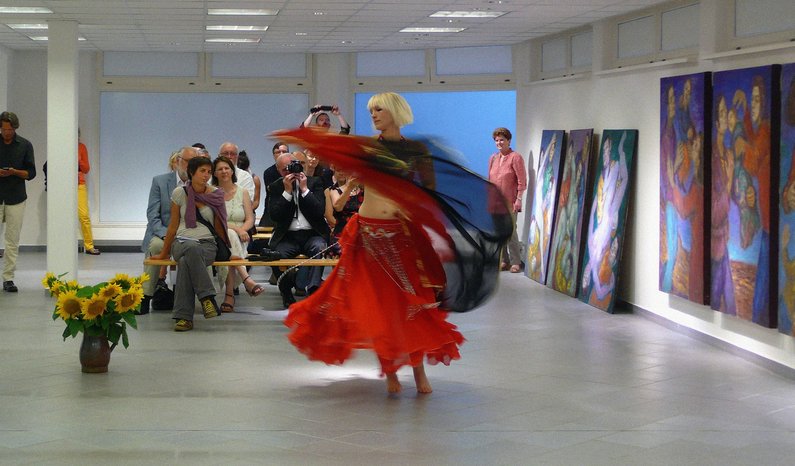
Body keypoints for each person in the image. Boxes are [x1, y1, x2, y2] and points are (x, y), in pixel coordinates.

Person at [284, 92, 464, 394]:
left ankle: (418, 371)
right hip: (368, 233)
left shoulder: (415, 150)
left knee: (411, 302)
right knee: (378, 305)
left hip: (401, 234)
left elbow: (430, 192)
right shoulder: (367, 148)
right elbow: (327, 146)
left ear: (394, 111)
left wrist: (412, 201)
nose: (374, 115)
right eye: (371, 111)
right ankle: (391, 371)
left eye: (378, 109)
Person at [152, 156, 228, 332]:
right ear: (191, 173)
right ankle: (207, 297)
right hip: (181, 242)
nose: (206, 175)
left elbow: (219, 226)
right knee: (190, 248)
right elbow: (172, 227)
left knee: (186, 262)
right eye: (202, 171)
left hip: (207, 244)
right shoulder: (179, 193)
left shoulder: (216, 194)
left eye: (209, 172)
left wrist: (227, 248)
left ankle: (183, 318)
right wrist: (164, 253)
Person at [140, 146, 198, 314]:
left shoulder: (201, 183)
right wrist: (166, 235)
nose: (192, 166)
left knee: (199, 248)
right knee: (156, 247)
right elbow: (153, 214)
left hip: (190, 234)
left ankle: (204, 296)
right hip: (163, 232)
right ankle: (146, 296)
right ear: (178, 161)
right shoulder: (160, 181)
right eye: (189, 162)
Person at [267, 150, 329, 306]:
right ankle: (286, 292)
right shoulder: (275, 187)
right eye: (285, 169)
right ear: (279, 171)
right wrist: (287, 192)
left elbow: (319, 211)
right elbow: (274, 215)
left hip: (312, 234)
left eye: (293, 167)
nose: (290, 172)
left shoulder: (315, 183)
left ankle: (314, 290)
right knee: (276, 254)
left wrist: (304, 190)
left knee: (319, 248)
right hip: (288, 236)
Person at [211, 156, 264, 312]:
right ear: (214, 173)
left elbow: (250, 218)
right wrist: (237, 229)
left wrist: (243, 230)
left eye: (226, 168)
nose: (224, 171)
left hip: (242, 238)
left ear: (232, 170)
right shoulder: (212, 193)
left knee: (233, 239)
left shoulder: (243, 192)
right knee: (230, 235)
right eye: (220, 169)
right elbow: (217, 221)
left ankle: (229, 296)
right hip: (220, 236)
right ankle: (246, 280)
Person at [0, 111, 36, 293]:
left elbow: (31, 173)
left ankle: (8, 278)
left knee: (12, 240)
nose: (7, 132)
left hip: (16, 197)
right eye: (4, 128)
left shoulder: (25, 145)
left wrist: (14, 172)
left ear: (15, 128)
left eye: (10, 129)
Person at [487, 127, 526, 273]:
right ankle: (503, 260)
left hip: (510, 201)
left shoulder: (515, 157)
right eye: (496, 140)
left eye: (502, 140)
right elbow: (490, 180)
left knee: (510, 231)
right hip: (495, 201)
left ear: (509, 140)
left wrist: (519, 199)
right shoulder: (493, 158)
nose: (499, 142)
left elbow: (522, 181)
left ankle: (515, 261)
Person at [324, 167, 364, 257]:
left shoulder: (363, 191)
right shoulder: (333, 190)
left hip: (361, 233)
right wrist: (349, 187)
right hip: (342, 233)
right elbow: (338, 207)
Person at [77, 130, 100, 255]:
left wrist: (78, 160)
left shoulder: (81, 147)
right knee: (61, 216)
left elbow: (86, 169)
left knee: (84, 216)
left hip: (79, 184)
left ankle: (89, 245)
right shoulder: (61, 147)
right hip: (62, 186)